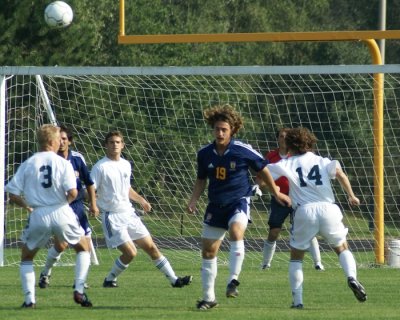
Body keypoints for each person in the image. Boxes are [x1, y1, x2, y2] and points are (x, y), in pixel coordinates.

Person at [187, 104, 291, 311]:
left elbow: (264, 169)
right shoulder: (205, 153)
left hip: (239, 201)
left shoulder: (243, 150)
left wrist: (276, 191)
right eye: (217, 129)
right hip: (215, 205)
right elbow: (201, 179)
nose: (220, 133)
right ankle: (209, 298)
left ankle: (233, 280)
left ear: (232, 130)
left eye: (224, 129)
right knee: (208, 251)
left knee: (236, 231)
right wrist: (193, 200)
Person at [266, 127, 367, 308]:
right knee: (342, 248)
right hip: (328, 209)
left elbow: (264, 171)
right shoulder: (322, 160)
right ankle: (352, 277)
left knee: (296, 258)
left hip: (305, 211)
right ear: (310, 143)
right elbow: (339, 173)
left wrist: (275, 192)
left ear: (289, 145)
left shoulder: (286, 163)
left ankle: (297, 302)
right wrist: (351, 195)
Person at [89, 130, 192, 290]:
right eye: (111, 142)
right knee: (131, 253)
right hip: (112, 217)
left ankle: (174, 280)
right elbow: (91, 188)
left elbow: (127, 189)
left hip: (129, 214)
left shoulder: (126, 164)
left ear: (123, 145)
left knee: (151, 247)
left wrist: (141, 200)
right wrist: (93, 204)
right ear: (105, 145)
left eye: (118, 142)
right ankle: (110, 278)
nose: (115, 145)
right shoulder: (100, 167)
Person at [5, 124, 92, 308]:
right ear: (53, 141)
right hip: (61, 210)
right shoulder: (63, 163)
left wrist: (27, 206)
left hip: (38, 213)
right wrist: (63, 204)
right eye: (59, 139)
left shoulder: (29, 163)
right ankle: (79, 290)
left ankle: (29, 300)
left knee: (27, 256)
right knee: (83, 247)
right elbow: (74, 192)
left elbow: (12, 193)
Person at [38, 125, 98, 289]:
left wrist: (93, 204)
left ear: (70, 142)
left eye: (65, 139)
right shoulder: (49, 160)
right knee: (61, 245)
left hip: (78, 207)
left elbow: (89, 183)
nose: (62, 142)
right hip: (59, 209)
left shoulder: (77, 159)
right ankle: (45, 273)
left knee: (84, 245)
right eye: (59, 139)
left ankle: (80, 280)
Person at [257, 128, 324, 270]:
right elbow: (262, 178)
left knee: (308, 231)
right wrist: (266, 188)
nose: (284, 139)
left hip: (299, 199)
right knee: (274, 231)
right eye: (281, 136)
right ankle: (265, 264)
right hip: (280, 199)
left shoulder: (298, 156)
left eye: (286, 137)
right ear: (278, 139)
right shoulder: (271, 156)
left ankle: (318, 263)